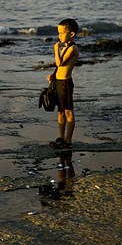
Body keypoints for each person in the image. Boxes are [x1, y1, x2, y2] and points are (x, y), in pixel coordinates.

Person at [47, 18, 80, 149]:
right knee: (60, 112)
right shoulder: (65, 47)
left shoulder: (73, 48)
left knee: (68, 112)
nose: (59, 36)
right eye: (58, 33)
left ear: (71, 34)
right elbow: (60, 67)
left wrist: (56, 49)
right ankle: (61, 137)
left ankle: (68, 140)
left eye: (61, 33)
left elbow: (60, 62)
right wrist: (53, 75)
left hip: (66, 83)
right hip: (59, 82)